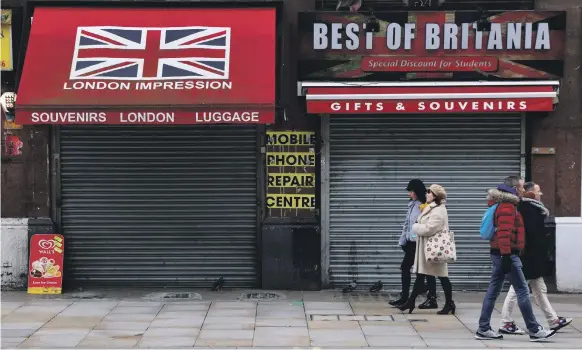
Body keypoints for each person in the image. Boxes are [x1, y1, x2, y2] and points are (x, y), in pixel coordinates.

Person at [475, 177, 556, 342]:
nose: (522, 189)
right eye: (520, 186)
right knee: (522, 291)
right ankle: (534, 329)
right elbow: (504, 234)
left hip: (501, 254)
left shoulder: (507, 205)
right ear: (513, 189)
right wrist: (507, 256)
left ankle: (483, 328)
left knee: (493, 291)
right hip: (507, 254)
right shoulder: (507, 207)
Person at [499, 182, 572, 335]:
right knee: (517, 289)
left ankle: (553, 320)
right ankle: (505, 321)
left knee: (539, 289)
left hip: (533, 258)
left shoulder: (531, 208)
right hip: (528, 258)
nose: (541, 194)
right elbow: (530, 235)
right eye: (538, 191)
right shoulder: (528, 209)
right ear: (531, 193)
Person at [397, 184, 455, 315]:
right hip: (426, 248)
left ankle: (449, 303)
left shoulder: (439, 210)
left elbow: (430, 228)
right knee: (421, 275)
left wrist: (416, 227)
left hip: (435, 248)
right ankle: (410, 302)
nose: (427, 194)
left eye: (429, 192)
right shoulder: (430, 207)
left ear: (435, 196)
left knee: (443, 277)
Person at [388, 179, 438, 309]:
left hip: (420, 242)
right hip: (411, 243)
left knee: (422, 269)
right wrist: (403, 240)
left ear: (416, 191)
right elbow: (407, 225)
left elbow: (425, 225)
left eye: (411, 191)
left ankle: (424, 298)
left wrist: (415, 238)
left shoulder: (425, 205)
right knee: (421, 270)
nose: (409, 194)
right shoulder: (412, 205)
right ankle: (409, 297)